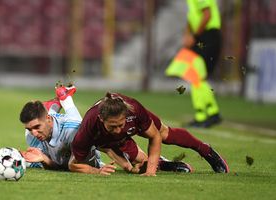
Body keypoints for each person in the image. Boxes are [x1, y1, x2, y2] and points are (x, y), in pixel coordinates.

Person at [20, 85, 192, 174]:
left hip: (97, 140)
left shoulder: (74, 127)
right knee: (131, 164)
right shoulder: (31, 136)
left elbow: (72, 165)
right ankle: (60, 99)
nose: (34, 132)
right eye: (30, 128)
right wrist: (43, 160)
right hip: (91, 140)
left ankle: (164, 163)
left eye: (36, 127)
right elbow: (62, 166)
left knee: (136, 160)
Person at [69, 92, 229, 176]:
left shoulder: (134, 109)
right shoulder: (89, 126)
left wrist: (151, 171)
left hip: (129, 129)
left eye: (121, 125)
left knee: (164, 134)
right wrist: (96, 171)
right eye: (113, 127)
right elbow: (73, 164)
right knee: (138, 162)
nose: (118, 130)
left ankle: (205, 150)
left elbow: (155, 137)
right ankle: (164, 164)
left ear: (126, 117)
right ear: (101, 119)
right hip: (108, 143)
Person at [165, 0, 222, 128]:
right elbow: (192, 18)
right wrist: (187, 34)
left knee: (197, 77)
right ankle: (210, 114)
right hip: (203, 36)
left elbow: (207, 15)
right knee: (196, 77)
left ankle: (206, 115)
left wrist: (194, 36)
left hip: (208, 36)